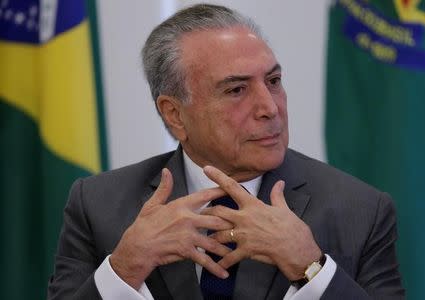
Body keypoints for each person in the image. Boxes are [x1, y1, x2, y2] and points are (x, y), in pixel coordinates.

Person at [47, 4, 404, 300]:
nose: (270, 107)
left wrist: (311, 268)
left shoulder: (359, 210)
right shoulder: (98, 205)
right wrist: (125, 268)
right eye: (236, 90)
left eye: (274, 82)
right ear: (175, 115)